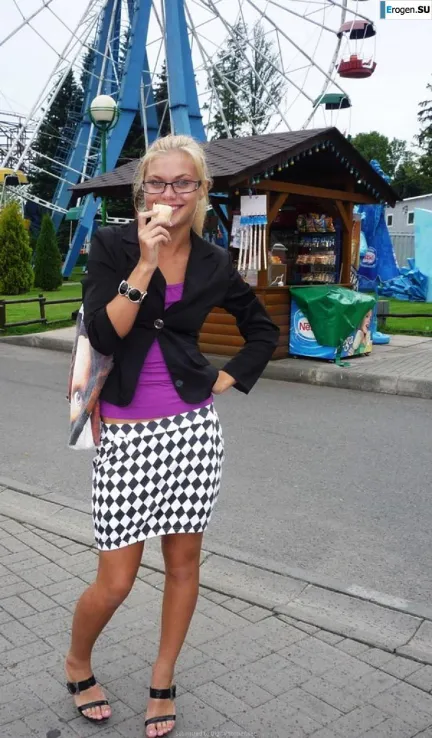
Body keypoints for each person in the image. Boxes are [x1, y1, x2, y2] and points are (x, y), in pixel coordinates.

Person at [65, 134, 279, 737]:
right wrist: (145, 261)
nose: (170, 193)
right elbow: (104, 336)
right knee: (116, 581)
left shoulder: (214, 260)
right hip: (124, 434)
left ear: (201, 190)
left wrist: (230, 376)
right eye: (158, 182)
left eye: (183, 182)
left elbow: (261, 329)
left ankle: (163, 679)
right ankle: (77, 660)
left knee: (184, 566)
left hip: (191, 432)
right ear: (142, 191)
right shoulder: (112, 245)